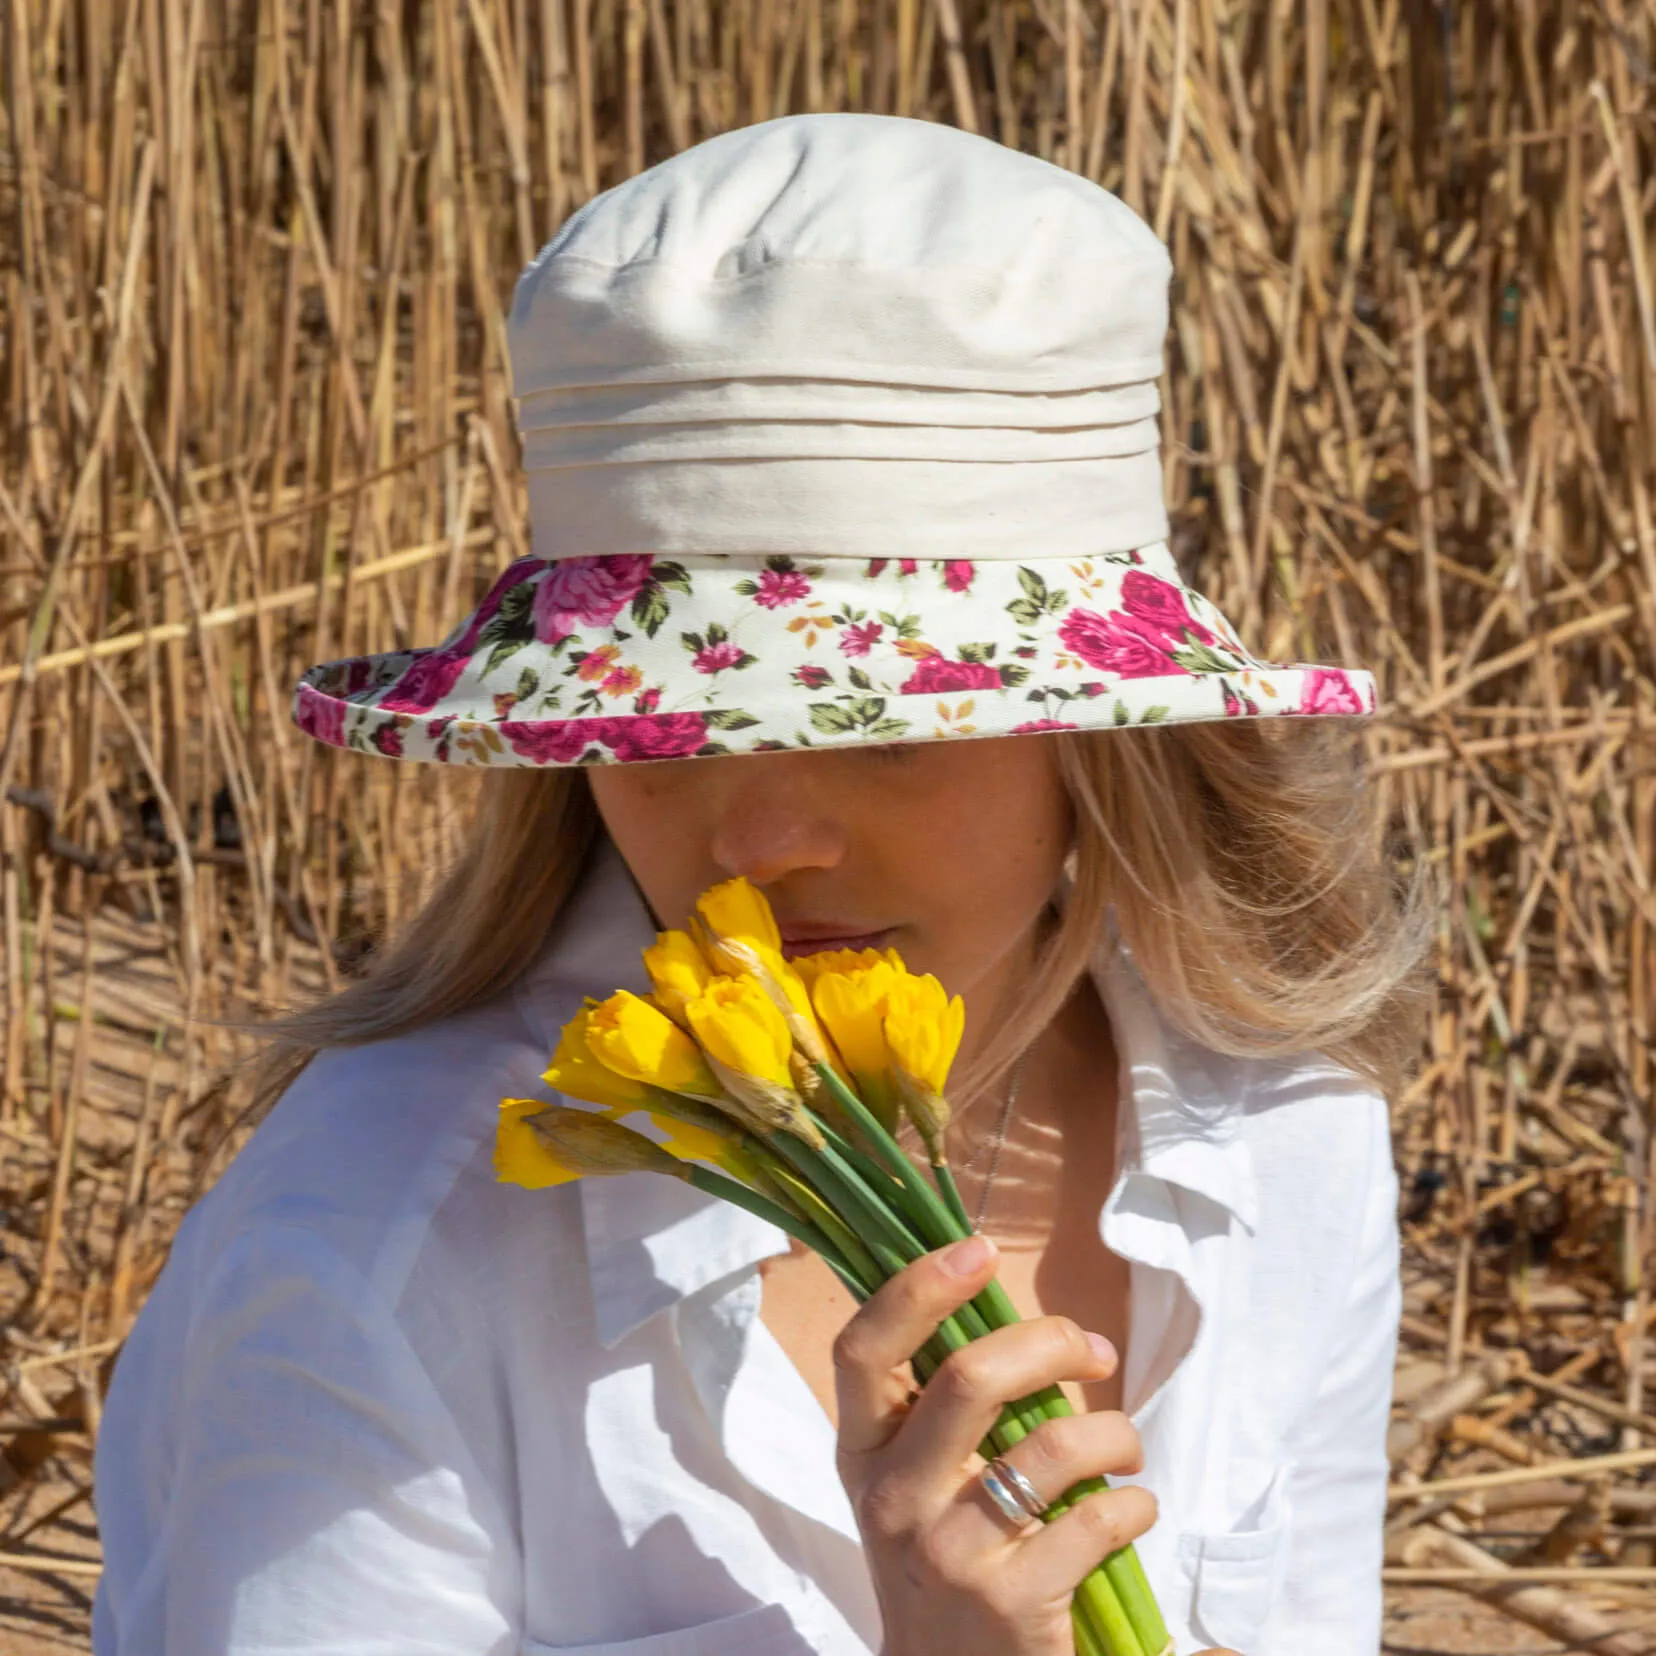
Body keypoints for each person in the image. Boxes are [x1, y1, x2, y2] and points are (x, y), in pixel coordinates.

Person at [91, 113, 1426, 1656]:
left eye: (884, 742)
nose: (757, 844)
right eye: (662, 740)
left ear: (1104, 739)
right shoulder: (378, 1242)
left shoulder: (1284, 1139)